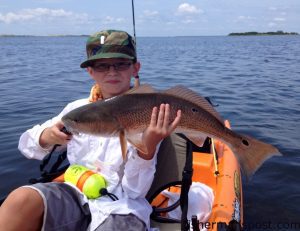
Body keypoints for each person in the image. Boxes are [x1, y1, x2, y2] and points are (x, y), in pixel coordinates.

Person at [0, 29, 181, 231]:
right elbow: (27, 146)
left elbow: (134, 191)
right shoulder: (76, 111)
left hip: (122, 207)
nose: (112, 72)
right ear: (90, 71)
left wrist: (147, 148)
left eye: (121, 64)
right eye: (102, 66)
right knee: (20, 200)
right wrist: (49, 136)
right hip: (75, 194)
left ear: (135, 68)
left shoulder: (150, 114)